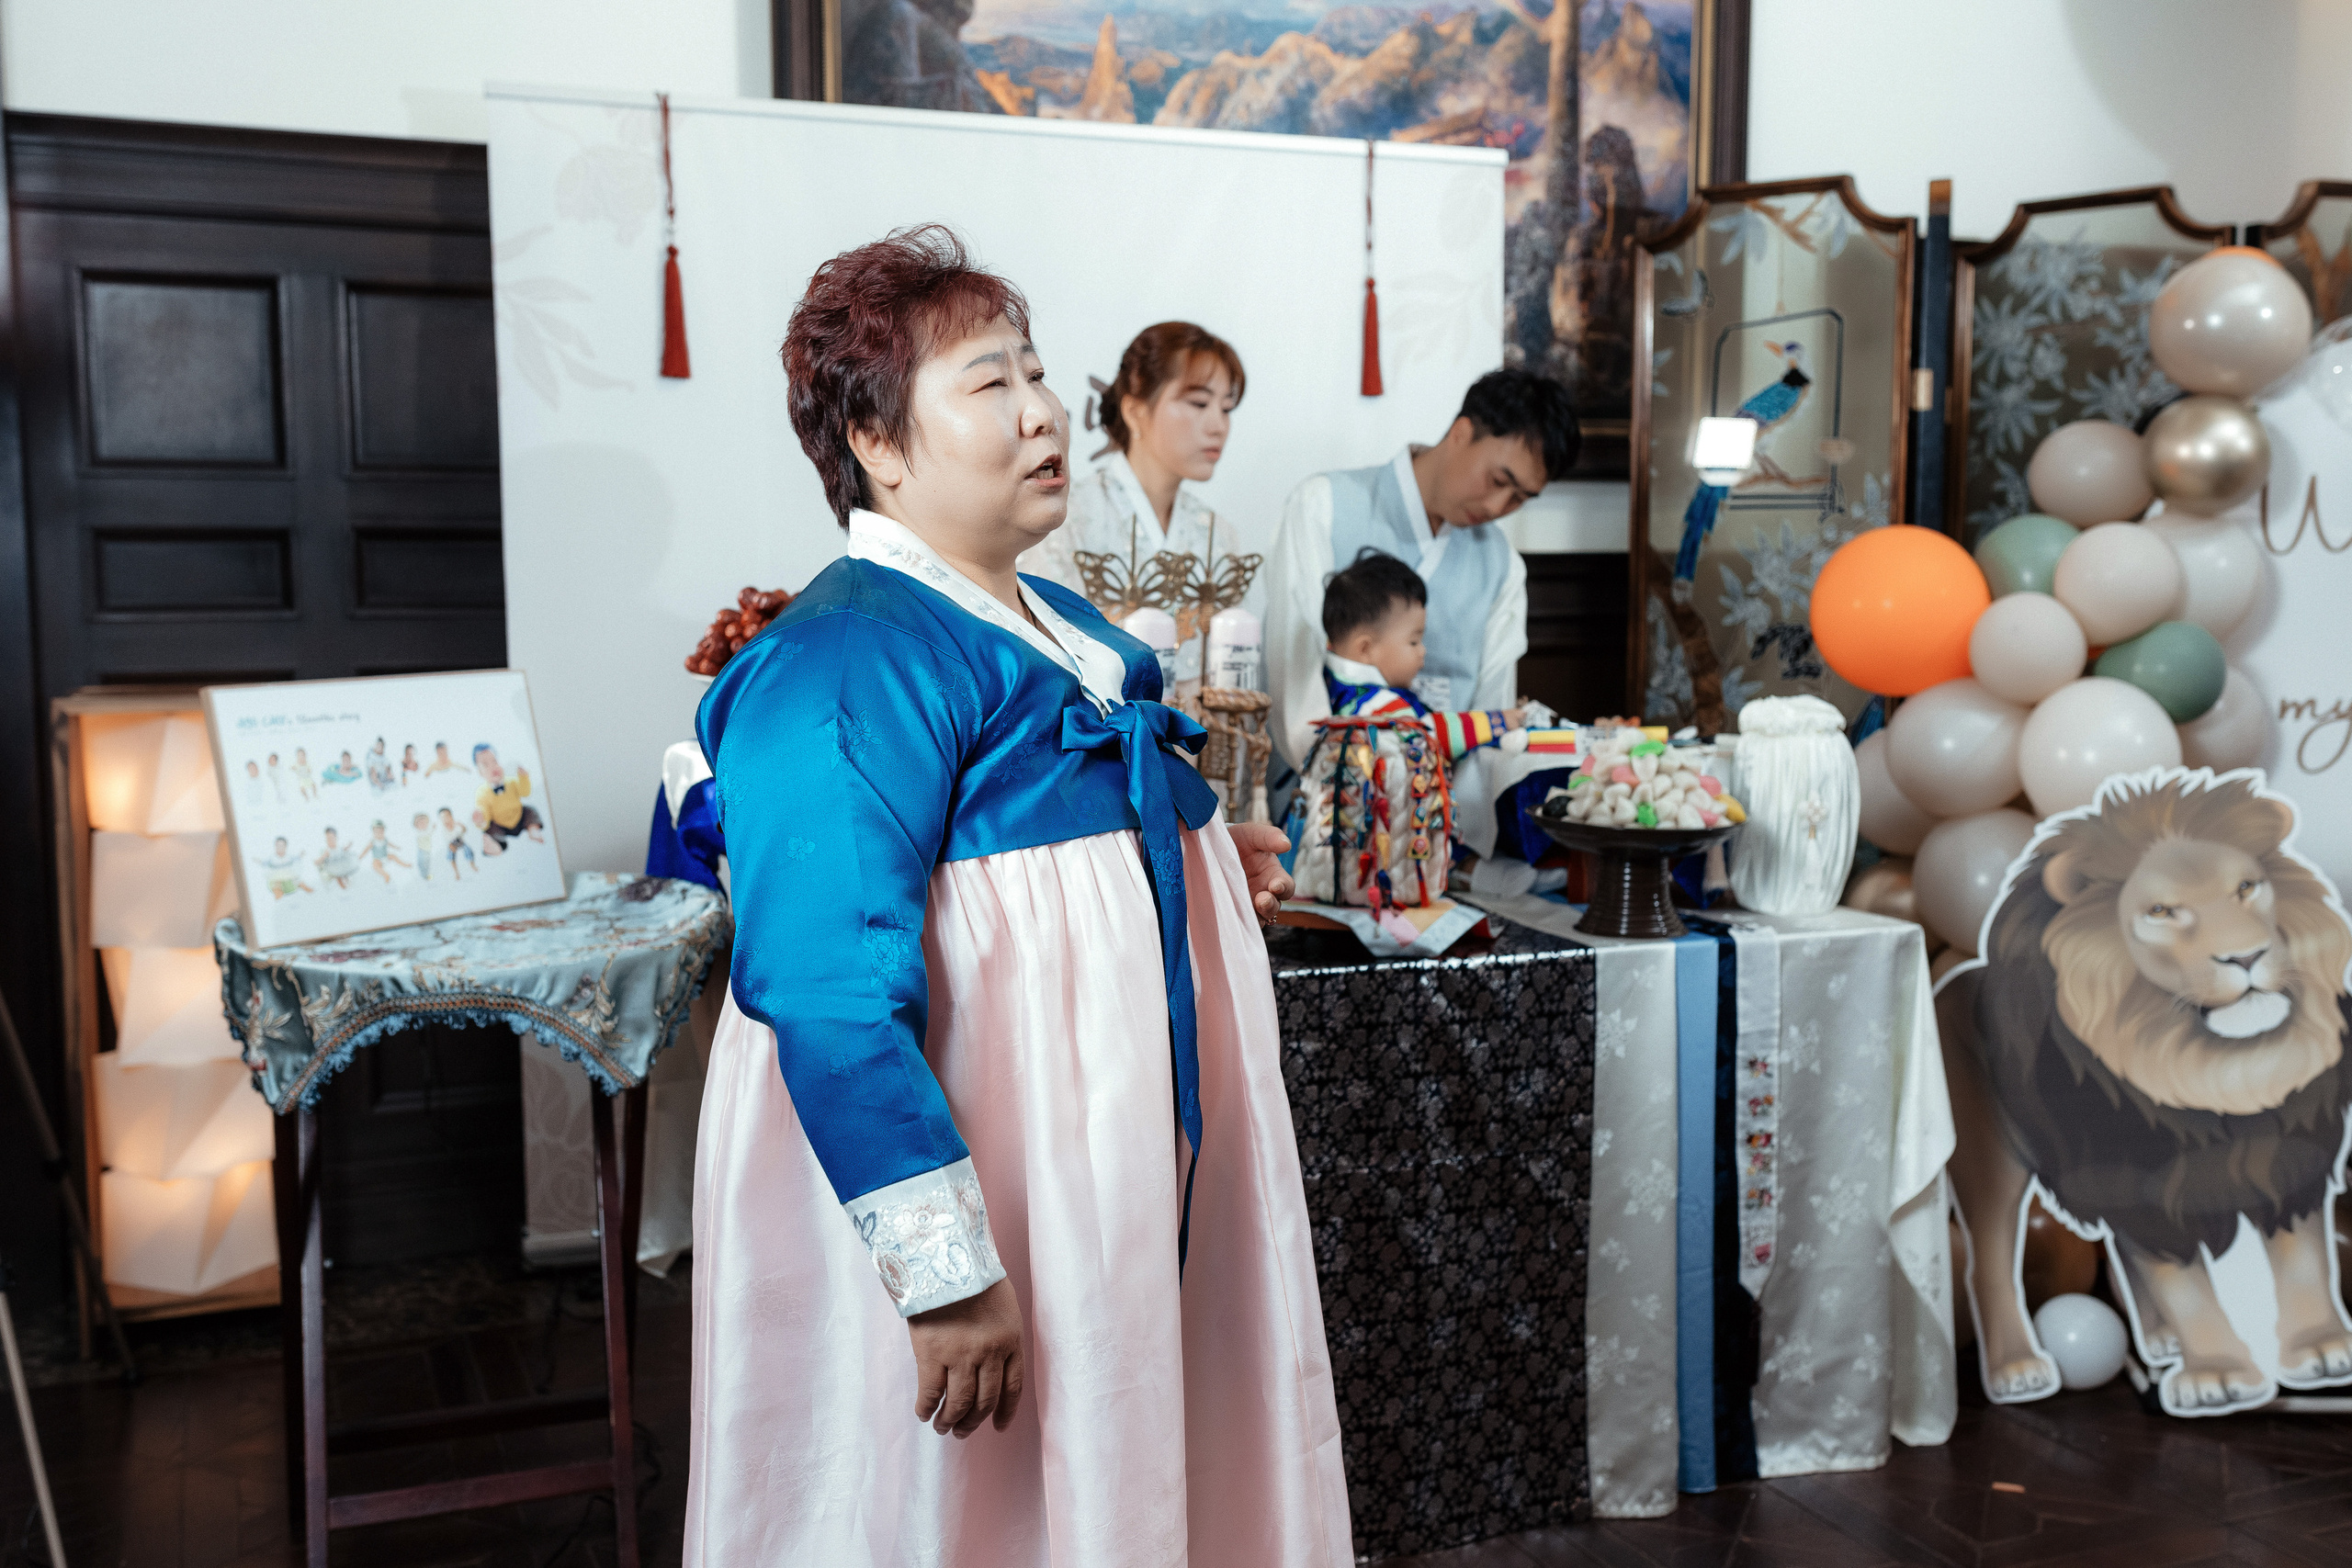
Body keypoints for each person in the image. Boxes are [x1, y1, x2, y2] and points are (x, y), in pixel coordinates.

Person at [684, 226, 1348, 1567]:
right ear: (877, 440)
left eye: (1037, 372)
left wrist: (1204, 869)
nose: (1045, 409)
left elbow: (1083, 842)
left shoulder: (1061, 618)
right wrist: (945, 1271)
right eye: (990, 383)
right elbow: (825, 984)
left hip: (1102, 1145)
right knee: (979, 1504)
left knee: (1124, 1451)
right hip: (992, 1158)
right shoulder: (846, 658)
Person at [1263, 369, 1577, 864]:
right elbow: (1295, 694)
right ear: (1461, 432)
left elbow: (1492, 715)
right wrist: (1367, 789)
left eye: (1520, 499)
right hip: (1325, 824)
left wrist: (1462, 837)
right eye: (1499, 481)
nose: (1498, 506)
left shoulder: (1501, 566)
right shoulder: (1324, 505)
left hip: (1440, 835)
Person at [1016, 321, 1250, 688]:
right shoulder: (1066, 518)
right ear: (1136, 410)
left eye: (1227, 408)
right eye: (1200, 403)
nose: (1218, 425)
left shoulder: (1219, 534)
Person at [1321, 552, 1523, 761]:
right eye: (1414, 642)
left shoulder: (1329, 684)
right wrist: (1495, 722)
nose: (1422, 651)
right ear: (1365, 649)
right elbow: (1429, 737)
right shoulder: (1378, 707)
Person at [471, 745, 545, 852]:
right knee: (490, 829)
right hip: (500, 824)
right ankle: (496, 847)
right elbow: (484, 811)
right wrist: (481, 818)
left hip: (519, 817)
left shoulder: (511, 782)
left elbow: (525, 792)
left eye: (495, 762)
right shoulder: (482, 792)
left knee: (530, 810)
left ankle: (533, 830)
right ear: (480, 773)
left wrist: (523, 778)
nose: (493, 767)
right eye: (486, 765)